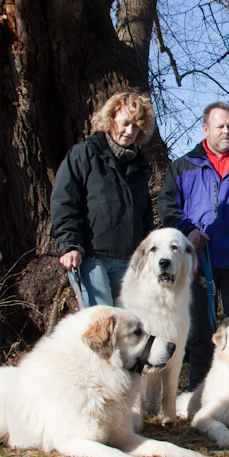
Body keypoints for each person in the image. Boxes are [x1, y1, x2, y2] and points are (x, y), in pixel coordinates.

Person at [157, 101, 229, 390]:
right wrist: (188, 231)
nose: (227, 130)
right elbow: (167, 207)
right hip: (197, 263)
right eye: (220, 125)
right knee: (200, 332)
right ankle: (200, 392)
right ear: (206, 128)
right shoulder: (183, 166)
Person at [50, 92, 156, 307]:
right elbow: (65, 201)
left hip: (129, 261)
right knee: (102, 324)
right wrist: (70, 244)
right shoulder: (84, 154)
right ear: (111, 119)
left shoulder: (139, 166)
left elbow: (144, 215)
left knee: (129, 329)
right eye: (125, 123)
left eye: (136, 127)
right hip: (91, 257)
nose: (129, 131)